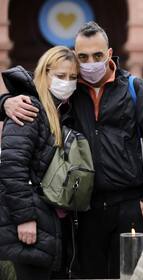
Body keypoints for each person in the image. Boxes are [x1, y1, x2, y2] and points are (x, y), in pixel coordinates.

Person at [0, 21, 143, 279]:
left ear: (109, 53)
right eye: (82, 57)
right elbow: (34, 92)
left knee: (129, 275)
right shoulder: (71, 89)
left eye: (97, 56)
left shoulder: (136, 89)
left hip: (129, 206)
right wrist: (5, 103)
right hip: (84, 211)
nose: (89, 62)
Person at [0, 46, 78, 280]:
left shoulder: (59, 111)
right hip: (28, 228)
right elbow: (12, 167)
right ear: (44, 74)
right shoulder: (30, 109)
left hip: (48, 226)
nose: (67, 82)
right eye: (60, 76)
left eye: (73, 77)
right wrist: (25, 218)